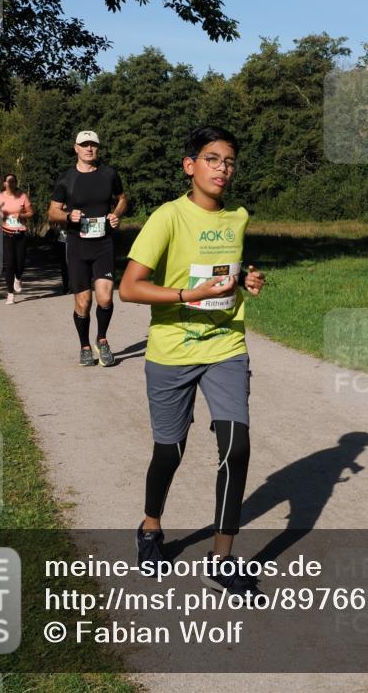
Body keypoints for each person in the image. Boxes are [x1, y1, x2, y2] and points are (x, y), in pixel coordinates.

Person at [119, 125, 266, 596]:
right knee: (170, 451)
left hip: (225, 347)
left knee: (235, 449)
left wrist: (248, 281)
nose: (222, 169)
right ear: (190, 165)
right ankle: (150, 529)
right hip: (172, 351)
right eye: (212, 159)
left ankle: (221, 560)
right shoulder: (168, 217)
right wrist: (188, 294)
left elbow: (227, 275)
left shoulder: (238, 217)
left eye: (229, 161)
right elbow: (129, 288)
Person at [48, 130, 128, 366]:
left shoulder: (109, 174)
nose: (89, 149)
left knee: (104, 298)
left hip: (104, 244)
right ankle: (84, 346)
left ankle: (102, 340)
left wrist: (115, 215)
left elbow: (122, 199)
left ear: (98, 148)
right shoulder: (66, 179)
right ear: (76, 148)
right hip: (77, 246)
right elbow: (52, 212)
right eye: (84, 145)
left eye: (93, 144)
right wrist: (66, 215)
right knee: (83, 302)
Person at [0, 174, 34, 304]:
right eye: (8, 181)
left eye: (13, 181)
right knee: (9, 264)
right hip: (6, 234)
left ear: (16, 183)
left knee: (20, 263)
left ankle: (18, 277)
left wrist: (21, 214)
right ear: (4, 183)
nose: (11, 183)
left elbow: (31, 212)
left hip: (20, 233)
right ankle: (10, 293)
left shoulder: (22, 196)